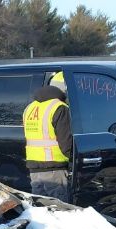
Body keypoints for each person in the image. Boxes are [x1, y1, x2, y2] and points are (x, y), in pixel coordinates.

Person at [22, 71, 72, 201]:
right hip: (55, 170)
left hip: (34, 170)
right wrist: (74, 162)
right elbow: (66, 143)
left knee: (41, 209)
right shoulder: (60, 107)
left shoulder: (30, 108)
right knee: (59, 210)